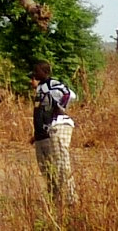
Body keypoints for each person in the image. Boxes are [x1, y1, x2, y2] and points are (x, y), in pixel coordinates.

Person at [30, 60, 78, 205]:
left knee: (61, 163)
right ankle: (55, 197)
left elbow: (70, 94)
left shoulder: (53, 84)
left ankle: (70, 198)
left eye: (37, 71)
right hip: (44, 131)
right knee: (46, 167)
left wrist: (60, 107)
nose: (34, 74)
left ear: (45, 72)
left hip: (58, 125)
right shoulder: (40, 88)